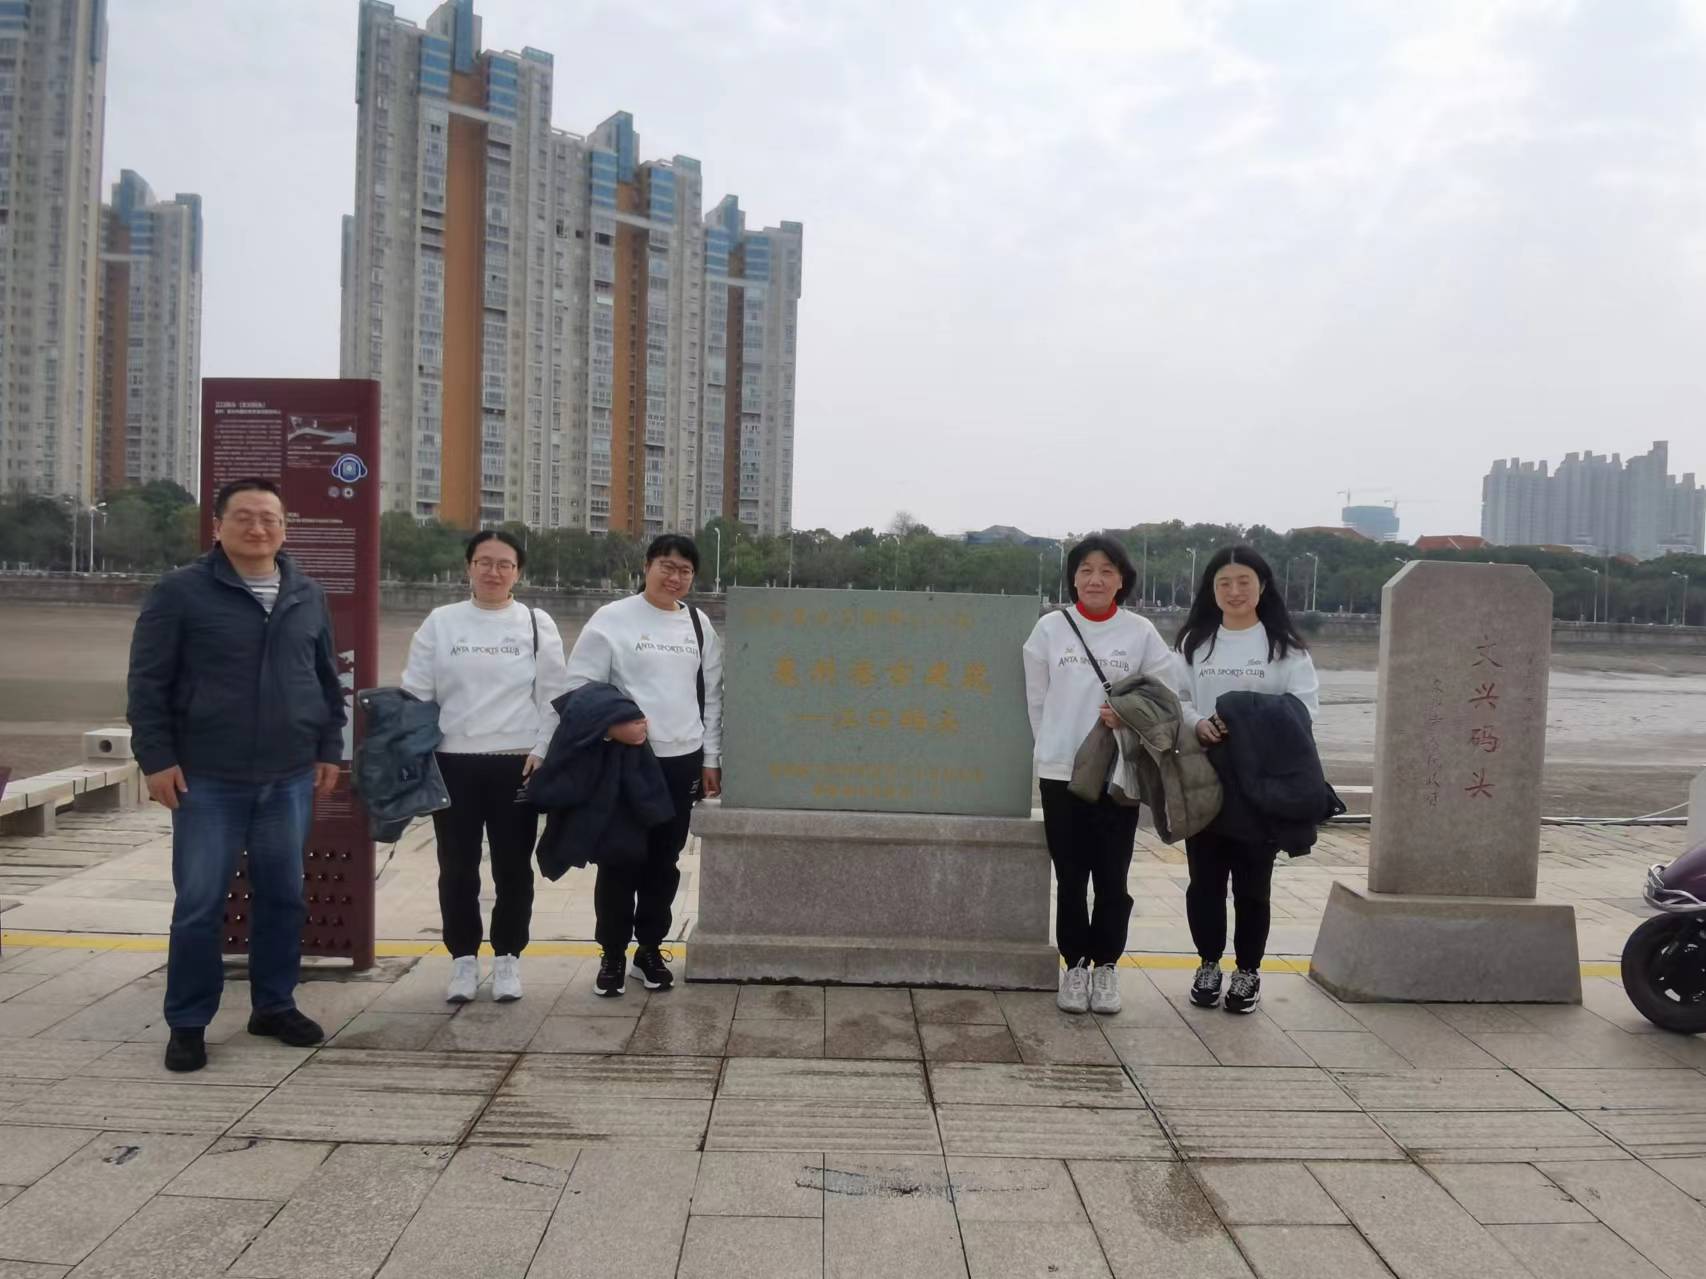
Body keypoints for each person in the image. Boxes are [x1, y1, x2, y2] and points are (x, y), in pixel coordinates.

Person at [127, 478, 344, 1073]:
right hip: (208, 778)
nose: (257, 528)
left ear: (285, 528)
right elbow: (147, 683)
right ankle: (188, 1021)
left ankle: (273, 1005)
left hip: (289, 776)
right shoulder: (180, 592)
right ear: (217, 526)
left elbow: (325, 679)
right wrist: (156, 758)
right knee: (199, 903)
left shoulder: (306, 593)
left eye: (269, 518)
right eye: (244, 517)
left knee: (283, 897)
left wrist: (329, 747)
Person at [401, 530, 568, 1004]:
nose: (494, 572)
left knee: (513, 868)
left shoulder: (535, 623)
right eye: (484, 562)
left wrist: (542, 749)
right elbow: (416, 693)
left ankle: (509, 956)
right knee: (456, 867)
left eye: (504, 564)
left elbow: (554, 697)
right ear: (469, 567)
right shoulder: (441, 622)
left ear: (518, 572)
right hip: (452, 763)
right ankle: (463, 959)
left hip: (516, 763)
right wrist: (415, 750)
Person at [1022, 534, 1180, 1015]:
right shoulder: (1049, 630)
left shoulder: (1140, 633)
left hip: (1119, 772)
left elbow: (1166, 696)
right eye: (1086, 570)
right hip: (1061, 772)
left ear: (1121, 580)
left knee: (1112, 875)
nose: (1096, 579)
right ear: (1073, 577)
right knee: (1070, 876)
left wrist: (1127, 717)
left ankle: (1106, 965)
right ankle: (1075, 965)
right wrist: (1053, 748)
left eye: (1107, 571)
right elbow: (1037, 702)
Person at [564, 533, 723, 996]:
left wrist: (710, 759)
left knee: (663, 863)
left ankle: (649, 951)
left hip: (682, 761)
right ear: (648, 566)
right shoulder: (612, 618)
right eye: (666, 566)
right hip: (627, 761)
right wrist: (613, 729)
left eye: (685, 571)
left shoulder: (698, 625)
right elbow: (577, 689)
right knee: (619, 859)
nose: (675, 577)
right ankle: (612, 954)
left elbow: (712, 698)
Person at [1174, 546, 1320, 1013]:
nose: (1234, 591)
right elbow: (1177, 699)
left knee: (1253, 886)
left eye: (1244, 582)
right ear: (1211, 590)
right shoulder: (1195, 643)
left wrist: (1246, 720)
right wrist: (1199, 723)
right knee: (1204, 883)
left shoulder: (1285, 647)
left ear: (1262, 587)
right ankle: (1208, 964)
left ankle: (1248, 971)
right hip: (1205, 779)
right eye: (1224, 583)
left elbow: (1305, 709)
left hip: (1261, 785)